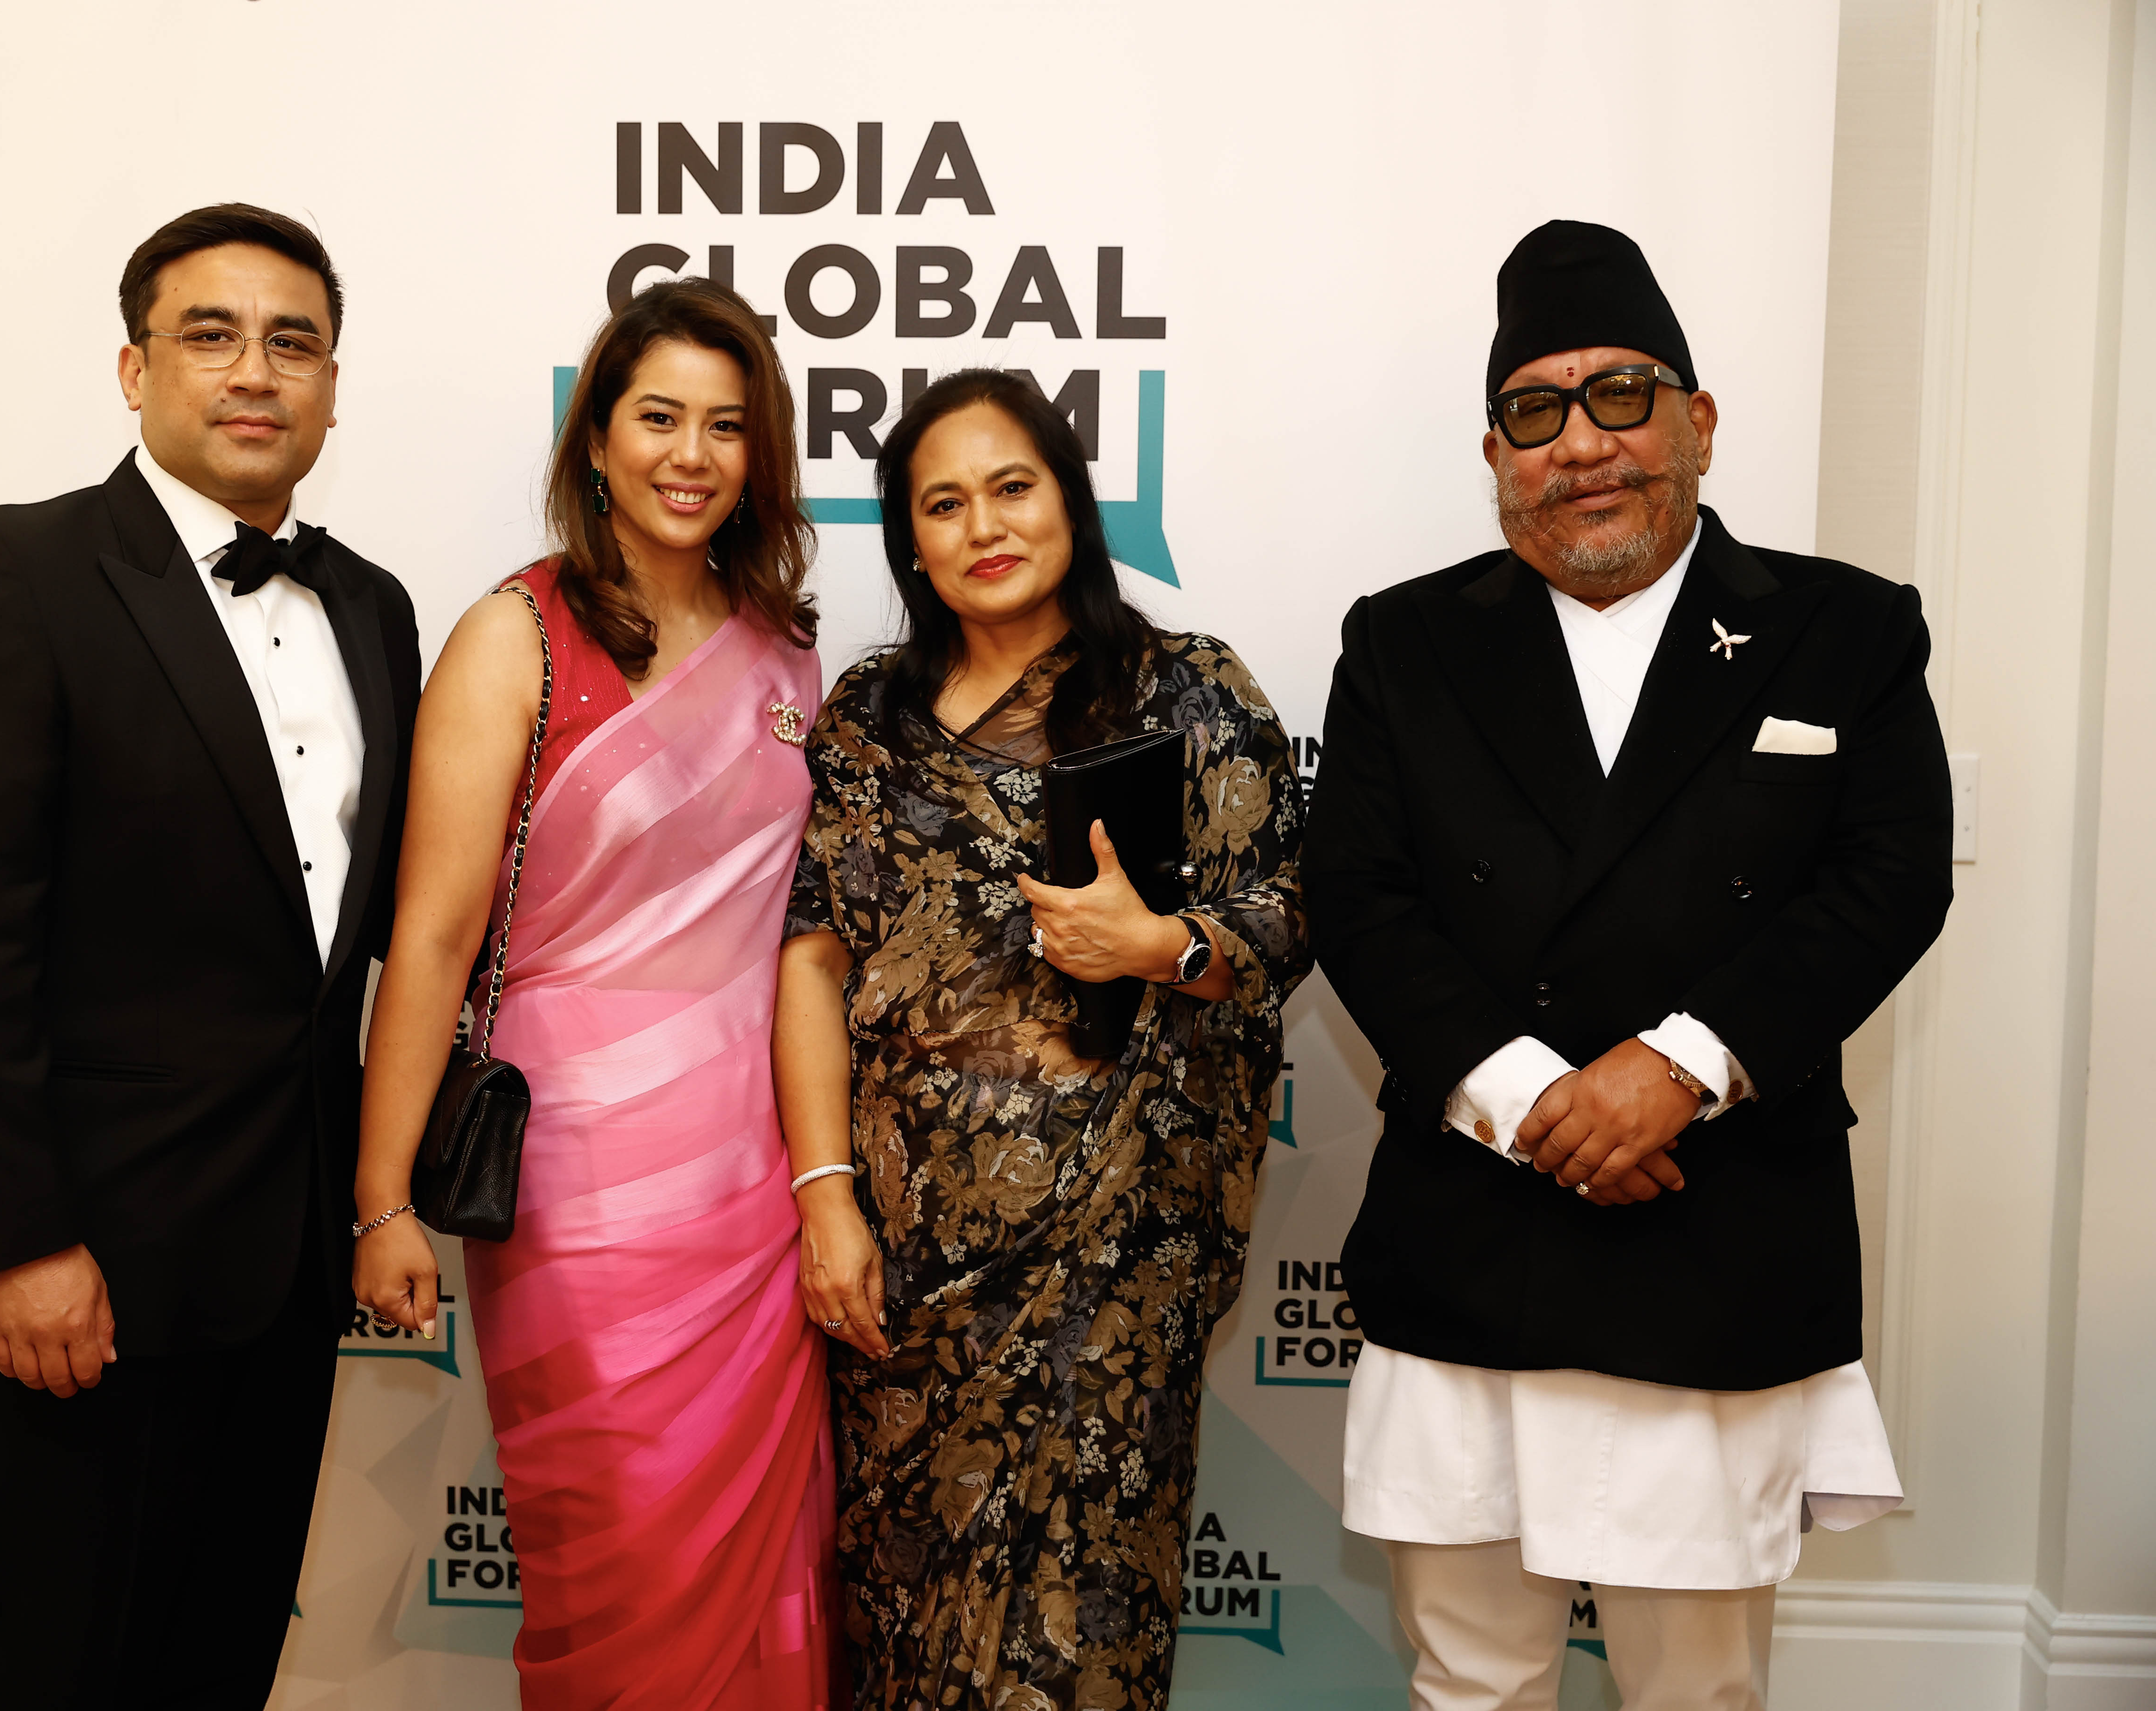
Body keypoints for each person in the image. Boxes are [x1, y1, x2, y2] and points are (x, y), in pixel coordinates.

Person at [1305, 220, 1954, 1711]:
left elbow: (1887, 882)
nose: (1581, 444)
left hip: (1720, 1227)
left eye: (1620, 396)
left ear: (1699, 422)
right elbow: (1359, 896)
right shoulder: (1406, 642)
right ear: (1496, 456)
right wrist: (1537, 1100)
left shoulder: (1843, 631)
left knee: (1697, 1691)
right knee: (1471, 1678)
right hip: (1479, 1229)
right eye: (1537, 412)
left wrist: (1678, 1069)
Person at [0, 204, 419, 1707]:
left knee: (221, 1665)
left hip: (289, 1261)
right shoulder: (11, 573)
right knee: (63, 1669)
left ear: (331, 386)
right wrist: (16, 1240)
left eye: (293, 343)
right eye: (210, 335)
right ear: (135, 369)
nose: (255, 372)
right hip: (87, 1264)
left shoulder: (373, 608)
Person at [776, 369, 1311, 1711]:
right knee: (904, 1624)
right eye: (943, 504)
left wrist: (1159, 947)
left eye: (1013, 488)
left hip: (1113, 1268)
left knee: (1081, 1637)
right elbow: (814, 956)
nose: (985, 526)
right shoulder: (869, 718)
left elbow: (1291, 913)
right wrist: (827, 1199)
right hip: (907, 1269)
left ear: (1070, 501)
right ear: (909, 540)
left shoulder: (1185, 691)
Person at [351, 276, 835, 1709]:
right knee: (618, 1561)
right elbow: (431, 940)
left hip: (752, 1189)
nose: (692, 455)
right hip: (573, 1193)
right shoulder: (516, 634)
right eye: (659, 418)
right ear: (600, 441)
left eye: (727, 426)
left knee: (765, 1563)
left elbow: (798, 939)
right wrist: (382, 1200)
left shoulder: (784, 647)